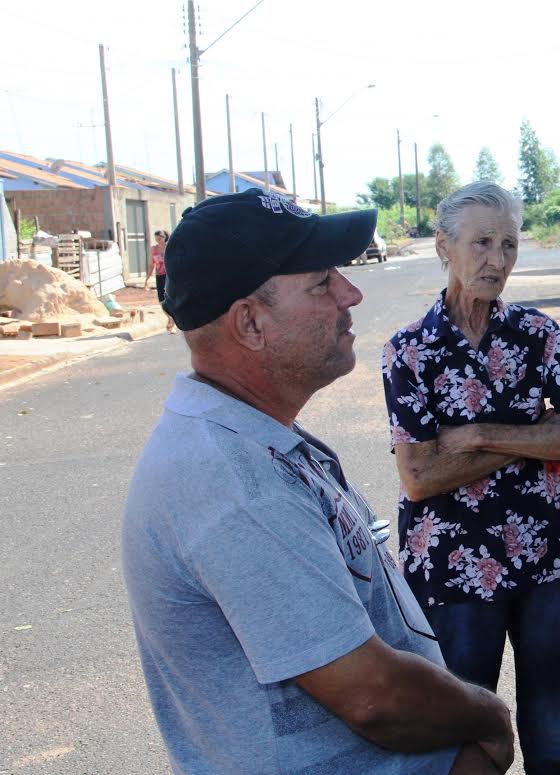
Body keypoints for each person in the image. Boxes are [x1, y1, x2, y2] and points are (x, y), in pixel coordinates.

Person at [122, 188, 514, 775]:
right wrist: (487, 719)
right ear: (249, 324)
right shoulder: (236, 482)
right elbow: (374, 697)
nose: (351, 294)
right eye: (321, 282)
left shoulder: (250, 436)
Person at [382, 182, 560, 775]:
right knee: (465, 738)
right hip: (453, 562)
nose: (498, 260)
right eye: (481, 242)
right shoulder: (409, 350)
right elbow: (419, 477)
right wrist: (533, 435)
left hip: (547, 554)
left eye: (509, 244)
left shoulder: (538, 334)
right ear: (443, 247)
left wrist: (482, 434)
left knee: (553, 738)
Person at [145, 229, 174, 332]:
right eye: (156, 239)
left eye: (160, 238)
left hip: (169, 275)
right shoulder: (153, 249)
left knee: (170, 297)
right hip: (159, 276)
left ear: (165, 237)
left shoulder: (170, 247)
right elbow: (151, 265)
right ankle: (170, 318)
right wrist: (147, 279)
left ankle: (173, 319)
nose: (158, 241)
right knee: (161, 300)